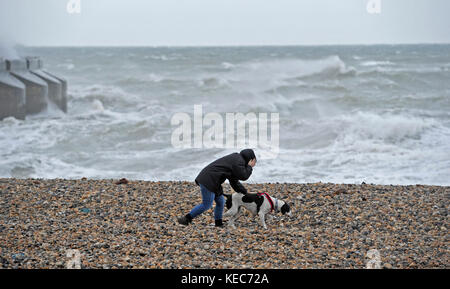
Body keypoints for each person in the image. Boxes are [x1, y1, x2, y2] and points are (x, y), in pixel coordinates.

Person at [177, 149, 257, 227]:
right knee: (207, 204)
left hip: (214, 180)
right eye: (254, 162)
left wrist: (244, 192)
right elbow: (243, 176)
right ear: (251, 159)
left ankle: (218, 223)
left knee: (221, 201)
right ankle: (185, 219)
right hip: (208, 180)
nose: (254, 164)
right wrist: (249, 167)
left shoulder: (237, 159)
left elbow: (233, 180)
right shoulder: (238, 161)